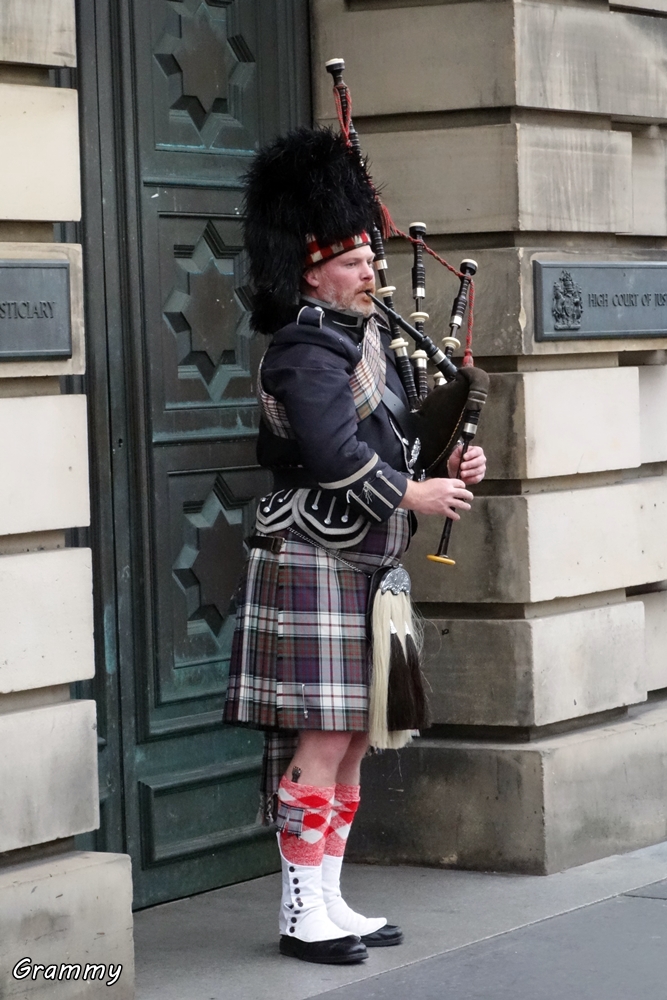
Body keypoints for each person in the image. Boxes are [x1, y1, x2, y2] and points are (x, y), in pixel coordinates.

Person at [223, 127, 486, 966]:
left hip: (364, 561)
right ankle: (300, 909)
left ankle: (331, 897)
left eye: (370, 255)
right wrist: (412, 493)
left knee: (359, 734)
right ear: (310, 272)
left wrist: (447, 465)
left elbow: (397, 441)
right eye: (350, 260)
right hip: (311, 555)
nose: (369, 269)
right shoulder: (303, 350)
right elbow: (335, 455)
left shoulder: (365, 339)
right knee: (323, 737)